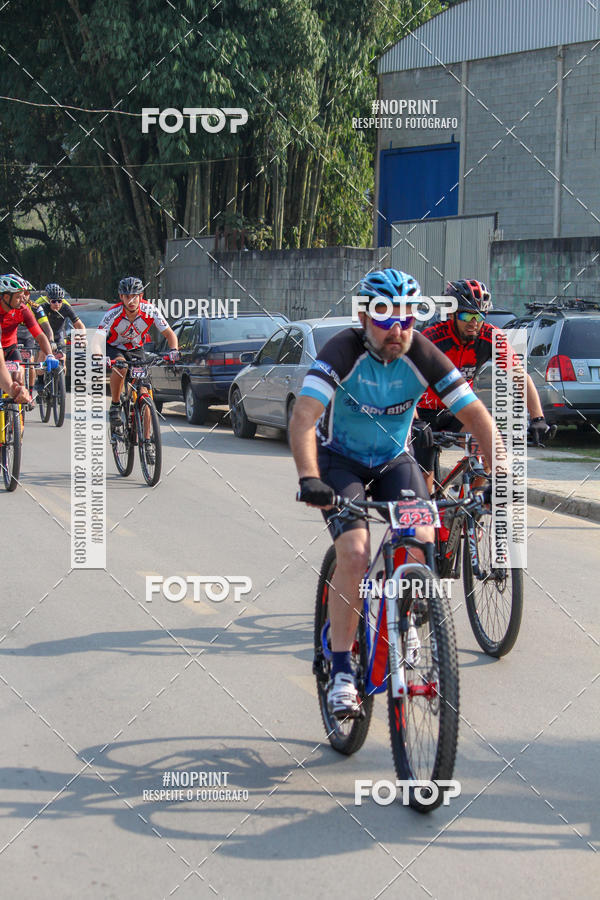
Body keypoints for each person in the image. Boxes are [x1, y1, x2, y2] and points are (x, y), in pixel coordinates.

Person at [289, 268, 505, 718]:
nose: (398, 329)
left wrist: (497, 477)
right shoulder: (342, 351)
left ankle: (402, 620)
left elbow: (478, 419)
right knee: (355, 553)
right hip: (340, 460)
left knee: (422, 539)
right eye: (386, 317)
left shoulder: (422, 354)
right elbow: (304, 418)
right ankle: (341, 668)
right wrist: (309, 477)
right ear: (365, 317)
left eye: (407, 318)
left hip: (392, 461)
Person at [413, 279, 550, 493]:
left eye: (479, 316)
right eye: (466, 316)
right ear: (451, 314)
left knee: (488, 450)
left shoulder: (490, 336)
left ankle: (470, 505)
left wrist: (538, 418)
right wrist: (415, 421)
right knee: (424, 481)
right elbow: (408, 384)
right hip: (422, 412)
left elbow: (520, 377)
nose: (474, 323)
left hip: (457, 409)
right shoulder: (433, 337)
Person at [95, 276, 179, 437]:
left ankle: (147, 441)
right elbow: (97, 339)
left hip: (136, 349)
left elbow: (169, 334)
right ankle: (115, 405)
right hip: (114, 347)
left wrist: (174, 350)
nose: (131, 300)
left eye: (135, 296)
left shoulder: (150, 310)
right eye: (127, 297)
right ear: (121, 297)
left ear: (141, 296)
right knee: (121, 367)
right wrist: (99, 355)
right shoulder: (113, 313)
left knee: (144, 392)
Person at [0, 275, 57, 392]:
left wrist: (49, 355)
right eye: (18, 297)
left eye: (23, 296)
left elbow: (39, 335)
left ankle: (18, 402)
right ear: (6, 297)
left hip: (10, 349)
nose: (22, 300)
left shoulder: (23, 310)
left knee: (18, 379)